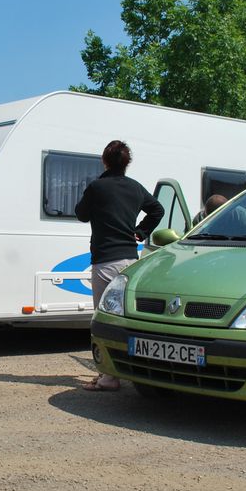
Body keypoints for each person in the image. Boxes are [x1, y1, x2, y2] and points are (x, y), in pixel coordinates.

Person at [75, 140, 163, 392]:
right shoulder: (135, 188)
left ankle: (108, 377)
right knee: (126, 320)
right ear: (128, 163)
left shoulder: (97, 187)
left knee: (103, 320)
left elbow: (81, 214)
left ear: (104, 160)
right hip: (129, 261)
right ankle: (130, 370)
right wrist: (141, 231)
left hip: (105, 261)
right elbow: (157, 209)